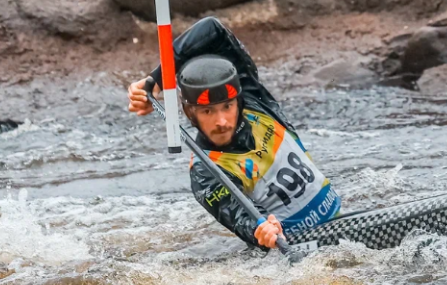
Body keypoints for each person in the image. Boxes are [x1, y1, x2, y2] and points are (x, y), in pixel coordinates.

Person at [127, 17, 341, 250]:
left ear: (238, 101)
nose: (221, 121)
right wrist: (260, 229)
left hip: (341, 222)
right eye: (208, 111)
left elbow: (211, 29)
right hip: (300, 248)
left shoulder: (255, 102)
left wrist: (157, 79)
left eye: (227, 107)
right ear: (190, 113)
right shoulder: (205, 172)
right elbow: (240, 216)